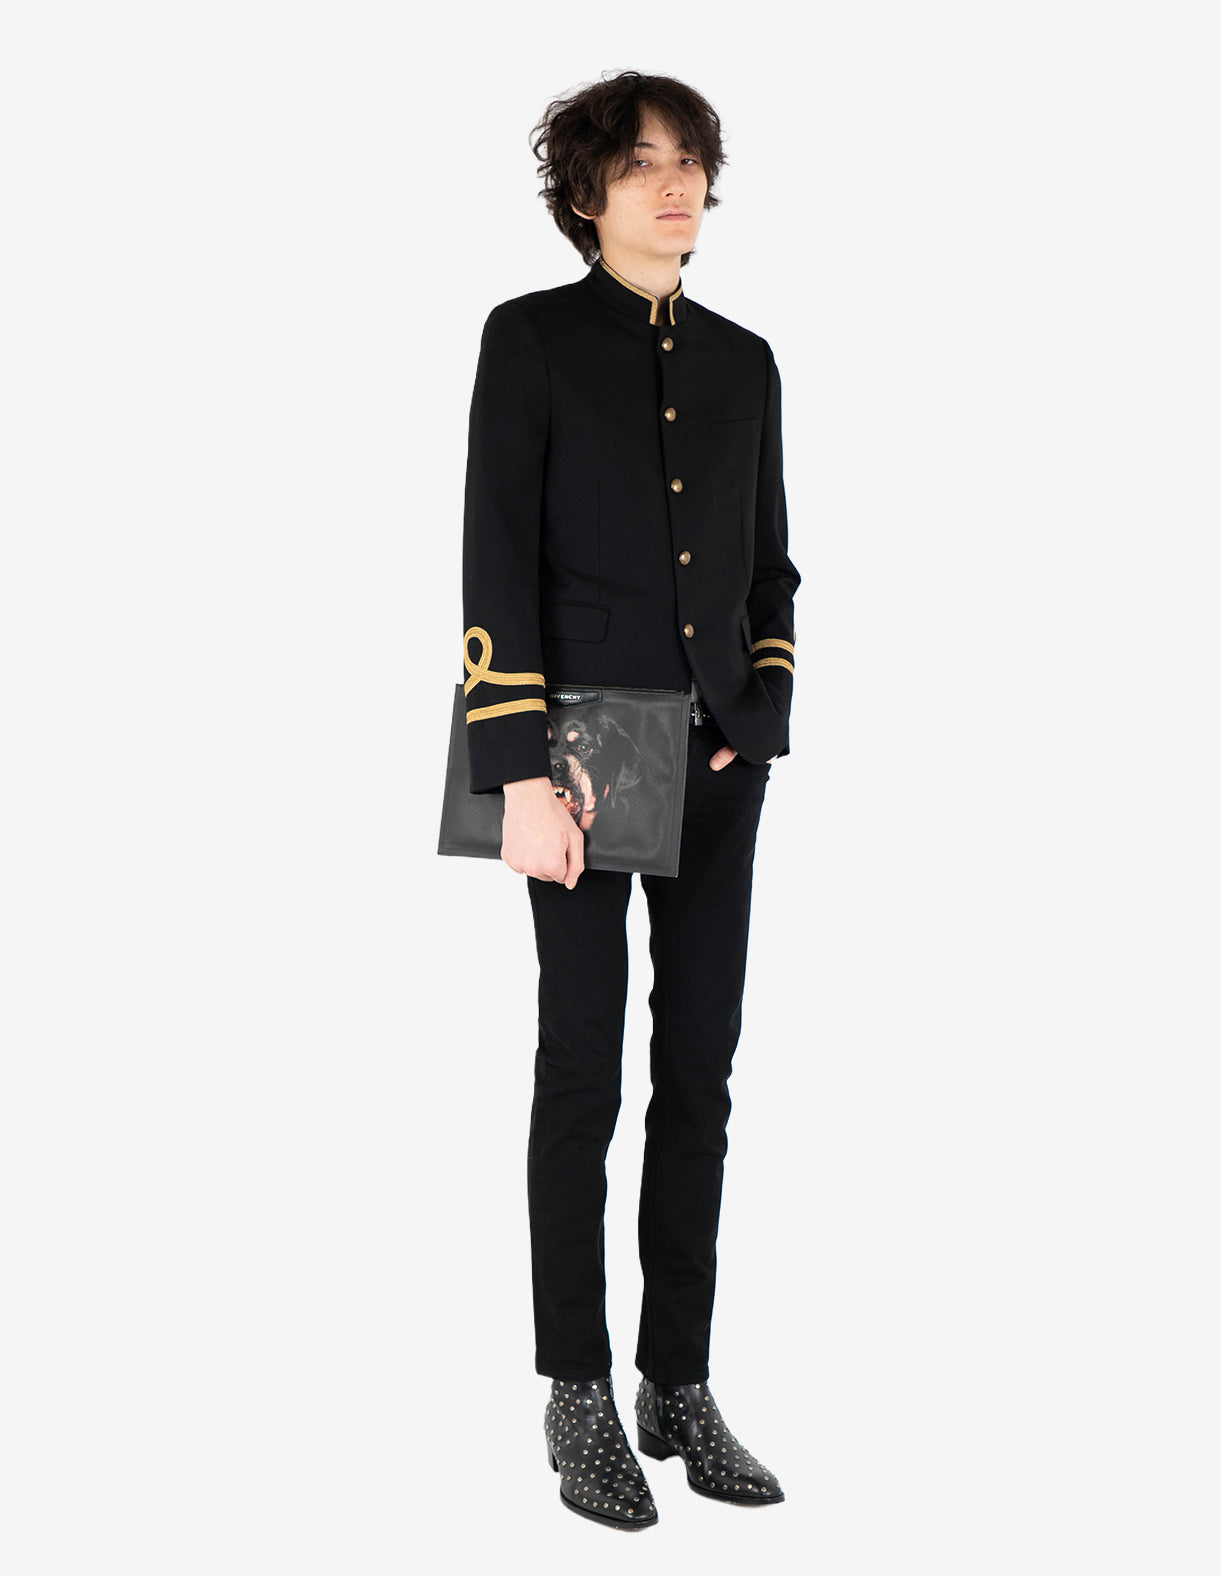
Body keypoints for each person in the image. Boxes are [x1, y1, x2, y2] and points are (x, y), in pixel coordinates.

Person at [459, 70, 800, 1528]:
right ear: (586, 194)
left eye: (690, 161)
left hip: (717, 763)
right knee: (581, 1073)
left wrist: (759, 718)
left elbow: (770, 569)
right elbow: (494, 558)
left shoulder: (744, 362)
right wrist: (515, 773)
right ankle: (576, 1390)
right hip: (582, 759)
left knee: (700, 1077)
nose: (674, 184)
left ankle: (679, 1382)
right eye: (642, 163)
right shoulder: (529, 339)